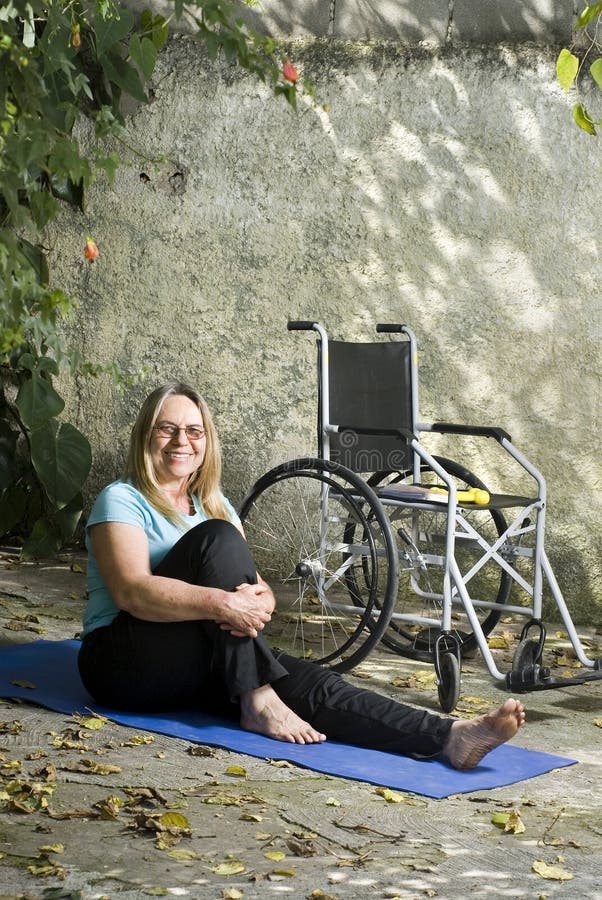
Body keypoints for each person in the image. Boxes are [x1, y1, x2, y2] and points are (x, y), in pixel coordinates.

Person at [78, 381, 525, 770]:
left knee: (310, 682)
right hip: (123, 665)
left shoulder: (215, 503)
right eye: (167, 429)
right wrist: (223, 604)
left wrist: (263, 598)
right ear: (146, 436)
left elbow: (245, 583)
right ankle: (256, 697)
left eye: (194, 431)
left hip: (194, 661)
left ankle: (450, 737)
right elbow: (131, 592)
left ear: (207, 441)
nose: (182, 441)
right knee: (216, 540)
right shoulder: (121, 499)